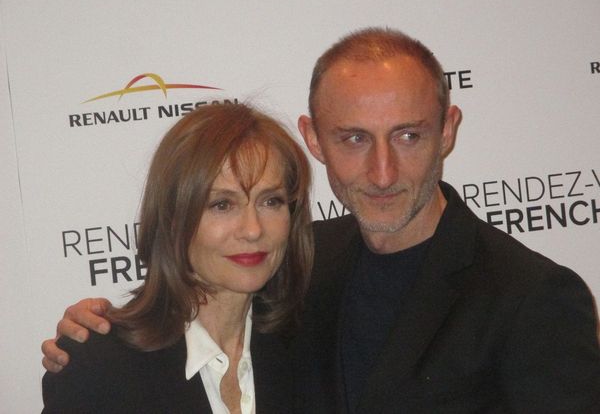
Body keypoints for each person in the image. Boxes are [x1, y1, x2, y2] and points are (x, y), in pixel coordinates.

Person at [43, 28, 600, 413]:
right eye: (354, 138)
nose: (383, 172)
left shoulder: (534, 297)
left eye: (408, 135)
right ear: (315, 139)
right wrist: (101, 332)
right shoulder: (302, 265)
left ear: (447, 130)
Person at [41, 103, 313, 413]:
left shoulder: (311, 351)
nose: (252, 230)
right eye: (222, 204)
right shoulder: (100, 369)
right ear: (173, 218)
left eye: (270, 201)